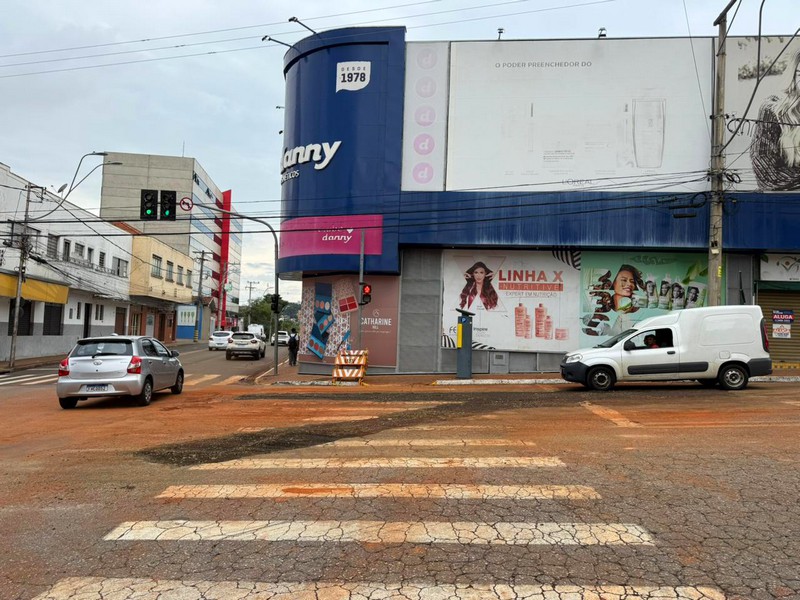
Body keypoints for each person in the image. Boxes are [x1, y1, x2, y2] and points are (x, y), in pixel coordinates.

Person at [751, 49, 800, 191]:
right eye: (799, 74)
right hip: (783, 204)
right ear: (792, 76)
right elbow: (767, 174)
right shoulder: (773, 109)